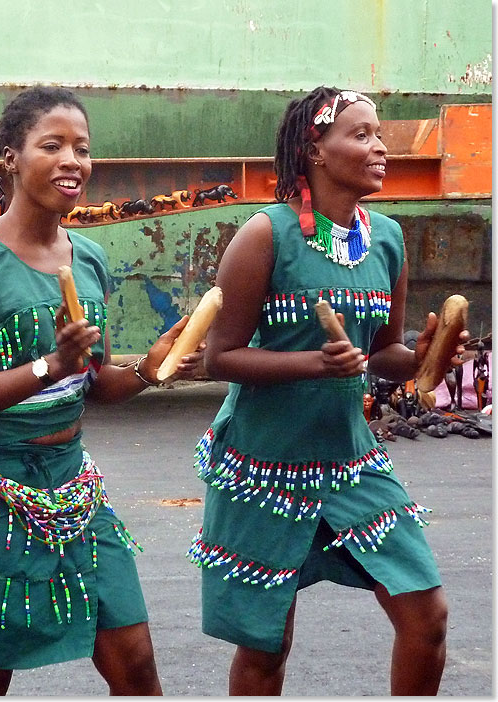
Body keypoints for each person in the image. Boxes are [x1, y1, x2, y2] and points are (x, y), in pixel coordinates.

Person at [0, 86, 202, 695]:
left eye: (83, 149)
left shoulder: (87, 258)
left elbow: (93, 384)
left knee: (137, 667)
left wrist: (150, 369)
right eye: (53, 145)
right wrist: (49, 363)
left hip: (75, 491)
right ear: (12, 157)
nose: (73, 160)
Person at [188, 86, 468, 695]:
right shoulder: (266, 235)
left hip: (350, 459)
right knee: (267, 648)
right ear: (314, 149)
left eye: (379, 135)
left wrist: (423, 359)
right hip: (262, 464)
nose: (379, 148)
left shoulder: (386, 239)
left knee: (427, 617)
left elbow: (383, 353)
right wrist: (317, 363)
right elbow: (221, 357)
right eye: (361, 134)